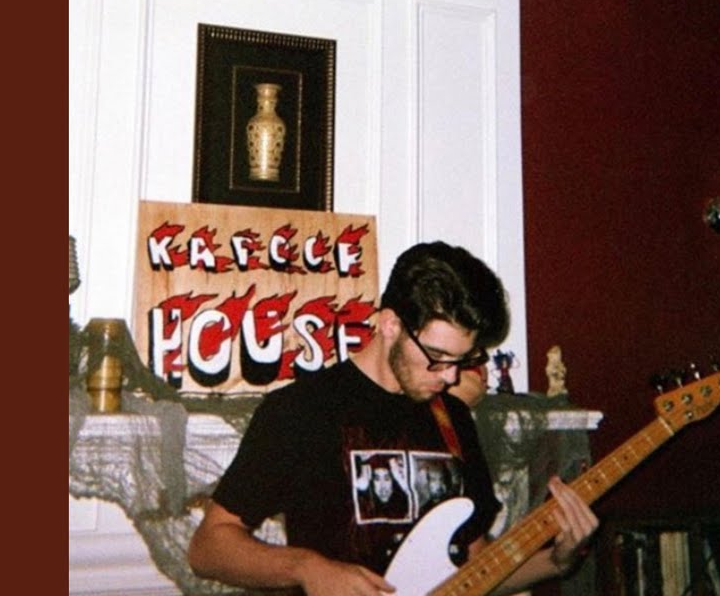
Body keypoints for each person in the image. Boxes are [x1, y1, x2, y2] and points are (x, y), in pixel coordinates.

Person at [188, 241, 599, 595]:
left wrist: (556, 561)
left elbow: (475, 569)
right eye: (437, 357)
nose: (451, 377)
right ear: (390, 324)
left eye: (462, 360)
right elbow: (208, 548)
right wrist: (308, 569)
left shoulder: (453, 418)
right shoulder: (301, 410)